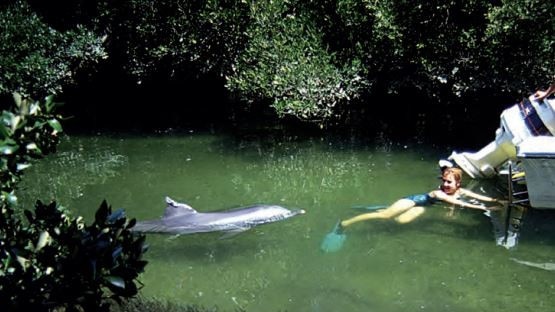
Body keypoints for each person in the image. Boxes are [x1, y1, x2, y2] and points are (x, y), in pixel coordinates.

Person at [339, 167, 503, 229]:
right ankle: (346, 223)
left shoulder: (460, 190)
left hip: (422, 207)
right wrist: (485, 208)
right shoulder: (440, 193)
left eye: (449, 182)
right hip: (411, 201)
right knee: (386, 216)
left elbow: (476, 196)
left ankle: (382, 208)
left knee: (400, 221)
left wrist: (496, 201)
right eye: (444, 181)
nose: (445, 184)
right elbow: (456, 202)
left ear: (458, 184)